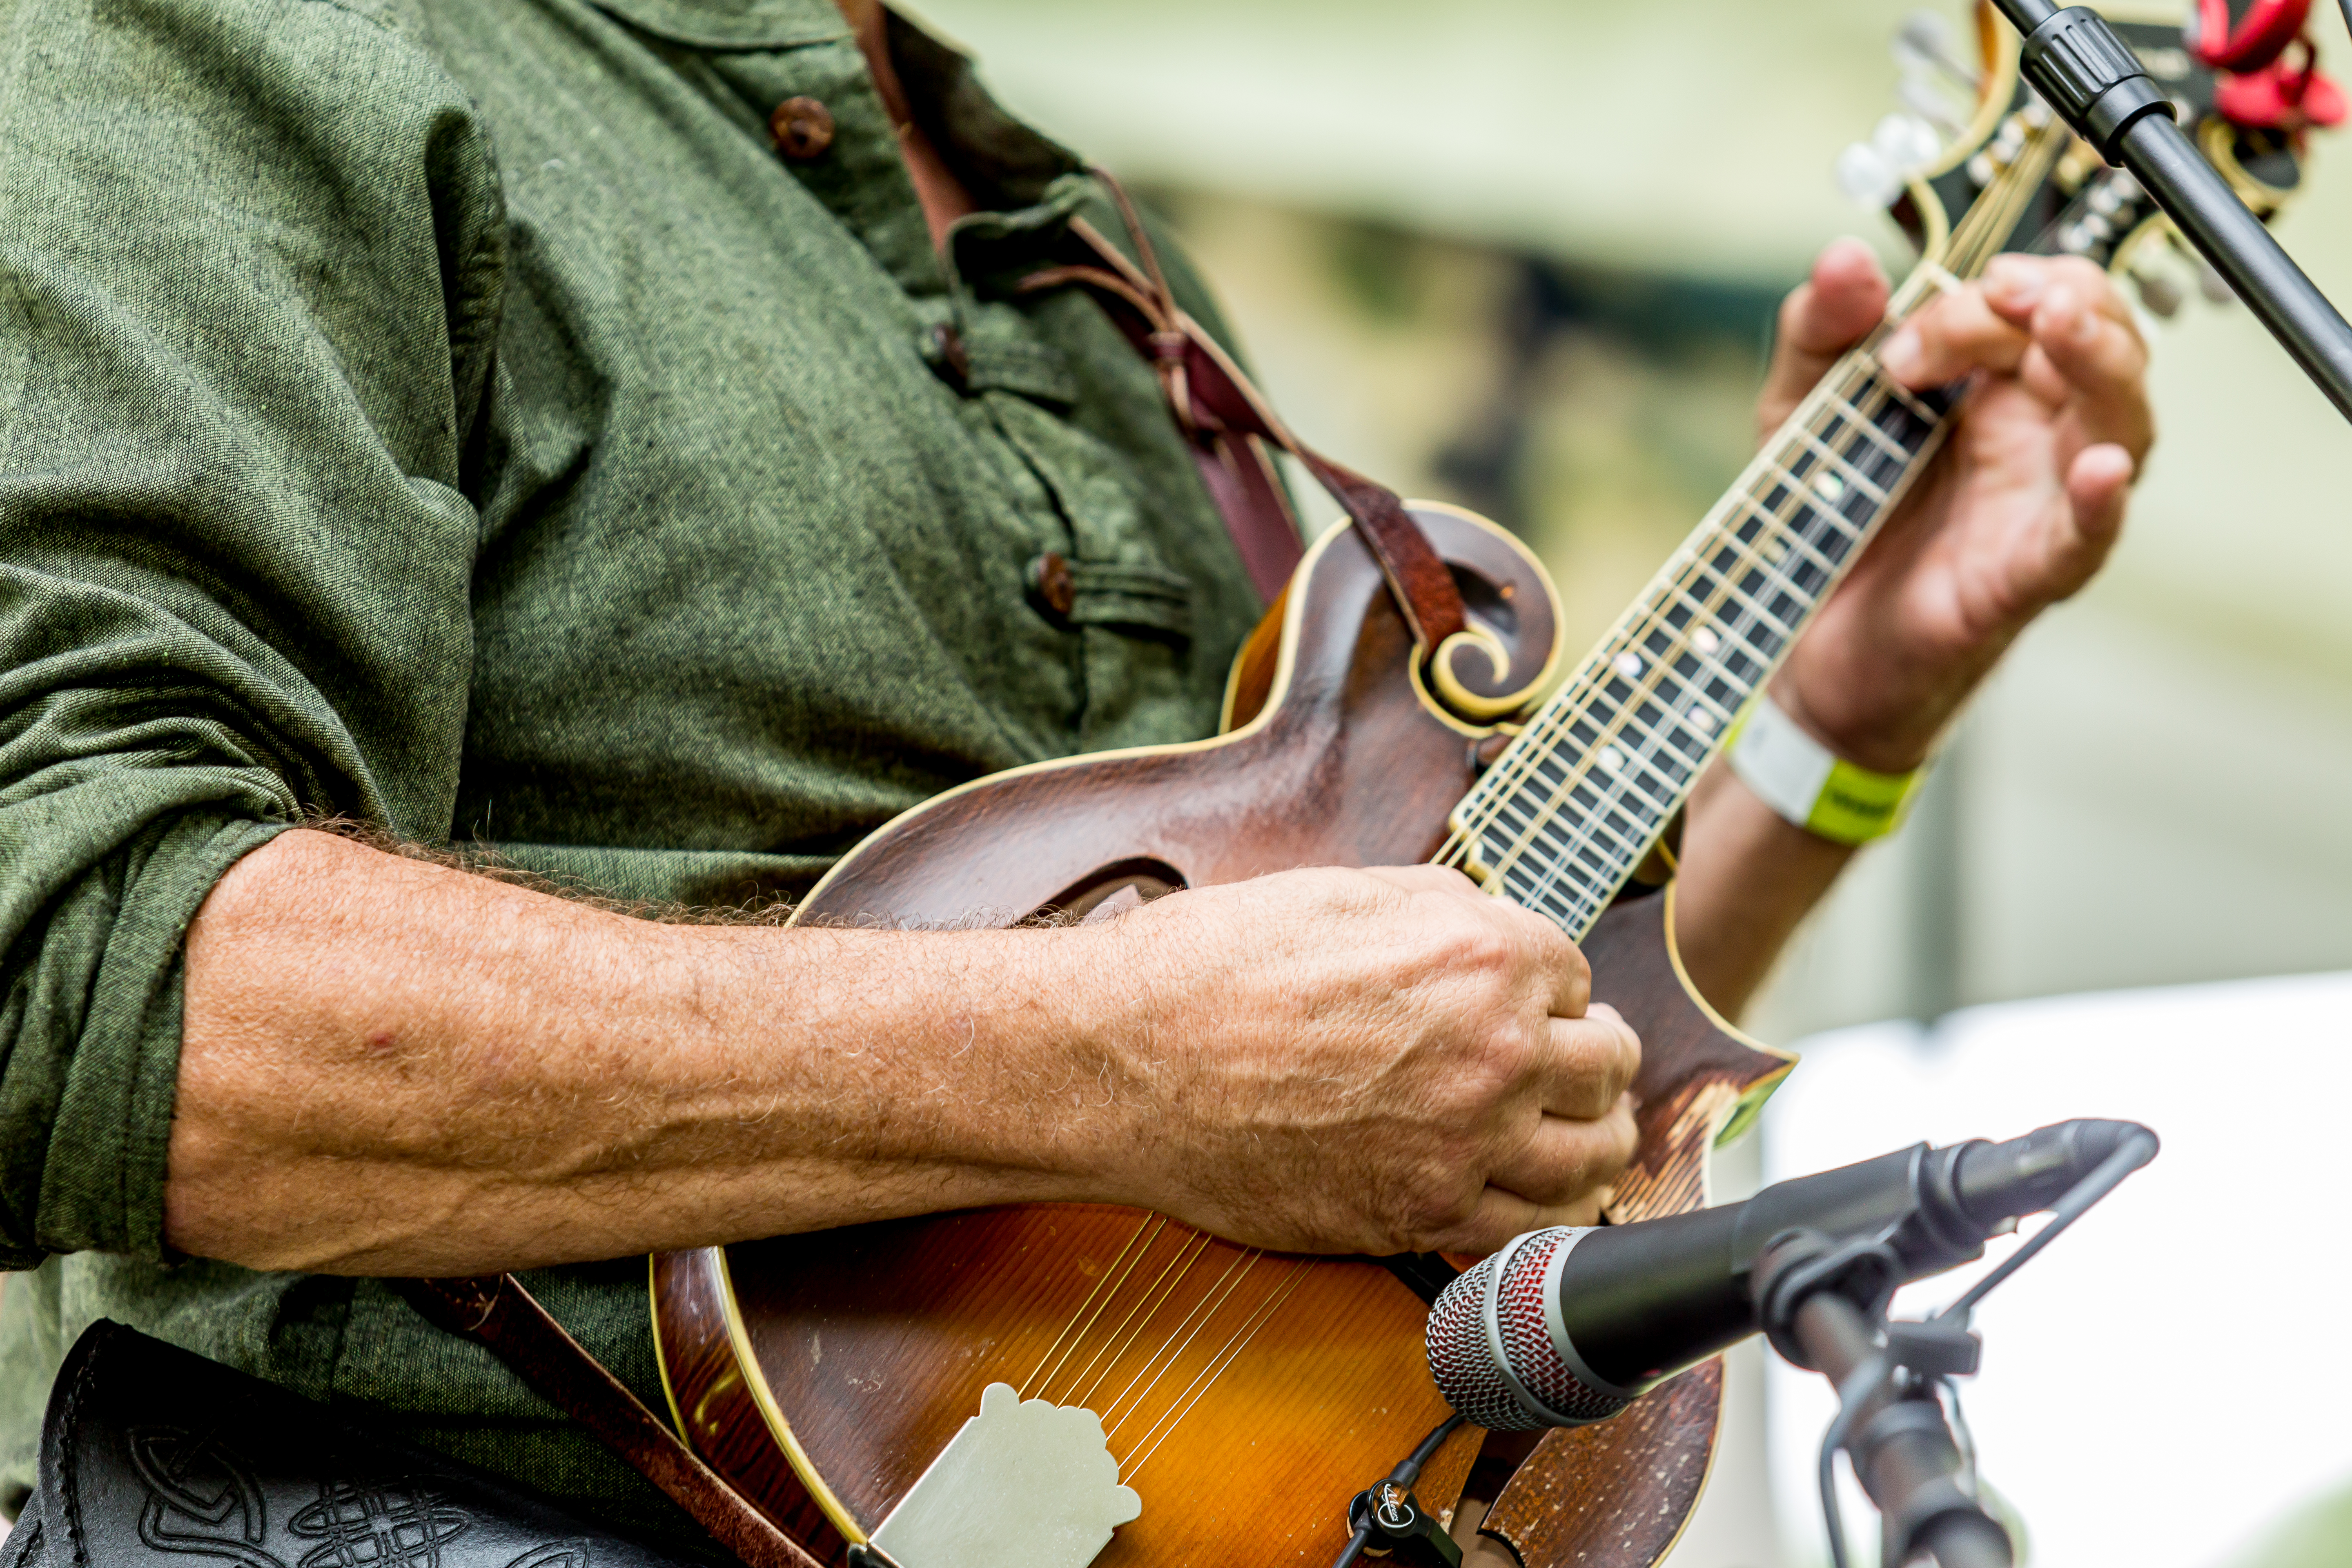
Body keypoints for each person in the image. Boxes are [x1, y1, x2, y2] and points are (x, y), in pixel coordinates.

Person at [0, 0, 2153, 1548]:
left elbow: (1444, 1058)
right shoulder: (254, 37)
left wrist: (1844, 719)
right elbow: (80, 964)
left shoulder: (1099, 263)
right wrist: (1115, 1053)